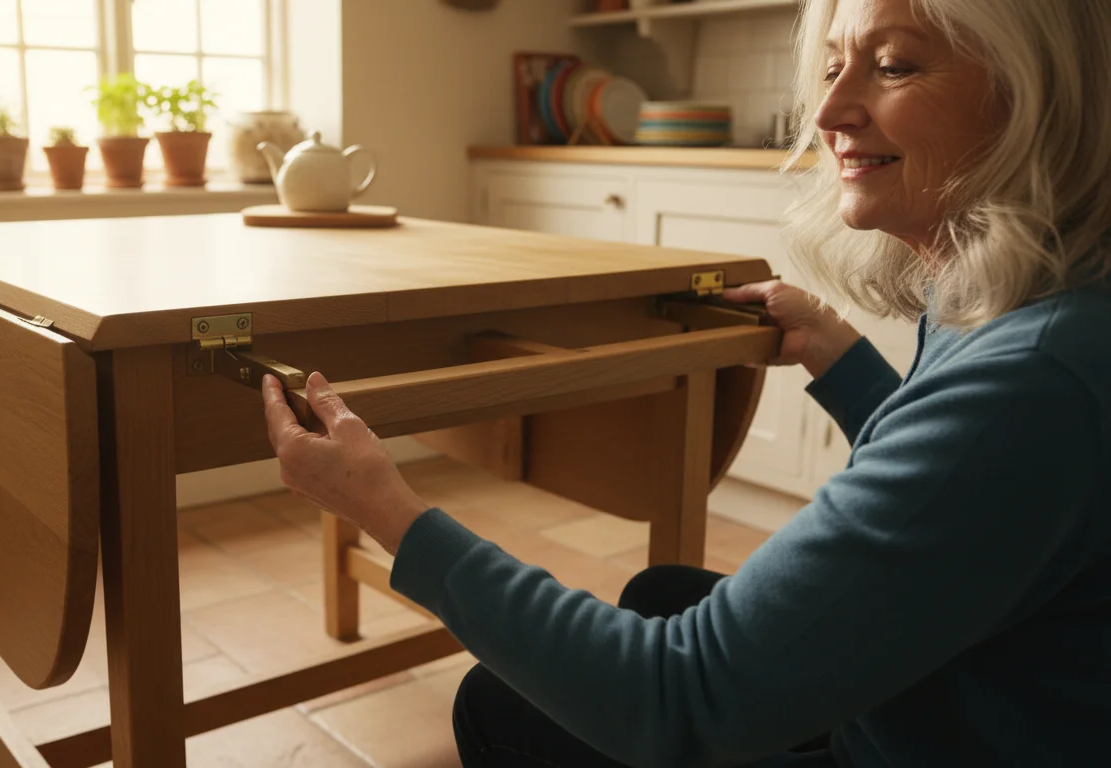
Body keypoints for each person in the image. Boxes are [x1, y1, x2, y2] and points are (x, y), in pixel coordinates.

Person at [260, 0, 1111, 764]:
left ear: (1040, 93)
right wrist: (842, 359)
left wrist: (386, 511)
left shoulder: (1031, 381)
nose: (828, 111)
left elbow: (675, 703)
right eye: (832, 66)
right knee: (661, 591)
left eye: (893, 66)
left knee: (503, 701)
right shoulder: (1040, 305)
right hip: (958, 700)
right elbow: (967, 500)